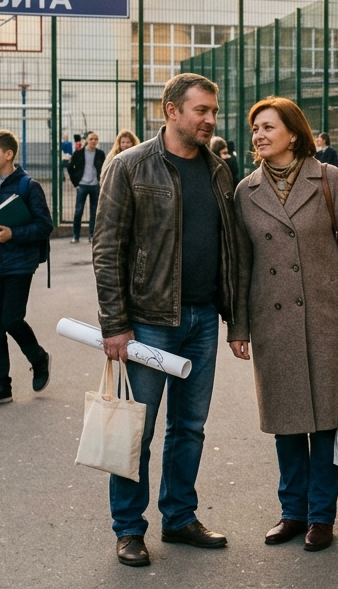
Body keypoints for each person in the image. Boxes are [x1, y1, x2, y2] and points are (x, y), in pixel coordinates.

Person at [93, 73, 239, 568]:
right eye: (201, 110)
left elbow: (230, 249)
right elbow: (107, 249)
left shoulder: (219, 170)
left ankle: (179, 517)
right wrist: (115, 324)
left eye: (213, 111)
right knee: (137, 428)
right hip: (148, 321)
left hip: (203, 319)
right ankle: (129, 528)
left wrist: (235, 319)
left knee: (190, 428)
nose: (210, 119)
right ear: (171, 110)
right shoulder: (129, 166)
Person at [228, 97, 338, 553]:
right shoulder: (246, 191)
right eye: (255, 128)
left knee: (328, 422)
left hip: (328, 316)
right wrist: (239, 327)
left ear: (293, 134)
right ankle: (291, 512)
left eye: (267, 127)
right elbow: (242, 265)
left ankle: (321, 516)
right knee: (287, 421)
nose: (258, 135)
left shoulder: (329, 179)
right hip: (272, 320)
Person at [0, 130, 53, 408]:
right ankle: (1, 386)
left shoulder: (29, 186)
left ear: (8, 154)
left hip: (19, 265)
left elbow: (44, 225)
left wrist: (13, 234)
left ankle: (39, 358)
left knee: (11, 320)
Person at [67, 131, 104, 244]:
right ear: (87, 140)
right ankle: (76, 236)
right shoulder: (78, 153)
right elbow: (70, 168)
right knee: (78, 211)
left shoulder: (100, 154)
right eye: (91, 139)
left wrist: (100, 181)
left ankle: (92, 236)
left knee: (94, 212)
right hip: (82, 185)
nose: (93, 141)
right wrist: (76, 183)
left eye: (95, 139)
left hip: (95, 185)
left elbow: (104, 167)